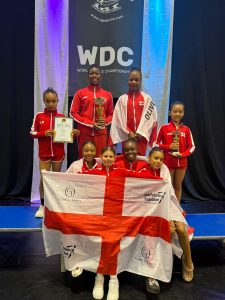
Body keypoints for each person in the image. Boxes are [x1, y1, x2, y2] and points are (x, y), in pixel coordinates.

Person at [140, 147, 194, 294]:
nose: (158, 162)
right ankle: (163, 265)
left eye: (161, 159)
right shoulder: (142, 172)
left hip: (167, 205)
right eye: (155, 158)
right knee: (169, 230)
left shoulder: (164, 170)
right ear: (149, 158)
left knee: (181, 229)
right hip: (151, 209)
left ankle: (188, 262)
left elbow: (168, 193)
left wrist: (169, 215)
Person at [30, 87, 79, 218]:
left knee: (55, 180)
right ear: (44, 101)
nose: (51, 104)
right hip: (44, 154)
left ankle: (53, 206)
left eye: (53, 101)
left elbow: (67, 136)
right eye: (48, 101)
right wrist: (43, 133)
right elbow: (32, 132)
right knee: (44, 180)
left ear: (57, 101)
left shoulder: (62, 118)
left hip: (58, 154)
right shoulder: (39, 116)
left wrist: (73, 133)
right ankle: (42, 205)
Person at [110, 68, 157, 155]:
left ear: (141, 81)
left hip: (141, 138)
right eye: (131, 79)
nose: (133, 82)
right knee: (127, 160)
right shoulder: (122, 99)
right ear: (128, 80)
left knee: (140, 161)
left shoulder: (147, 98)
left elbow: (151, 118)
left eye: (136, 80)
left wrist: (141, 132)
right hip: (127, 137)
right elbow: (118, 119)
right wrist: (128, 132)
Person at [70, 65, 114, 158]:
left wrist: (105, 121)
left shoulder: (108, 95)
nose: (94, 75)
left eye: (97, 73)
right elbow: (73, 113)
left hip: (101, 133)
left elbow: (111, 114)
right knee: (83, 158)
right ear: (88, 76)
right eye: (92, 73)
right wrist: (90, 124)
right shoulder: (80, 93)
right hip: (84, 133)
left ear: (101, 76)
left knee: (100, 159)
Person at [156, 101, 195, 202]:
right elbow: (155, 144)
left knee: (177, 186)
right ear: (170, 113)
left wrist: (182, 155)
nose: (177, 114)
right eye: (175, 111)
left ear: (183, 113)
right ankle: (167, 209)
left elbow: (192, 147)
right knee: (168, 186)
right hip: (168, 162)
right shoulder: (164, 128)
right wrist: (168, 147)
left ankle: (177, 210)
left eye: (180, 111)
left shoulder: (186, 129)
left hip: (182, 162)